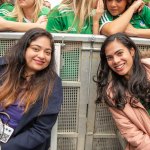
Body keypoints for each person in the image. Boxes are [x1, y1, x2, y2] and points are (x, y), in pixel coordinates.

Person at [0, 28, 63, 150]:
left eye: (48, 52)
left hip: (18, 145)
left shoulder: (52, 84)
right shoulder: (3, 68)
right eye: (36, 49)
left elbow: (40, 130)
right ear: (24, 48)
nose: (41, 56)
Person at [95, 33, 150, 149]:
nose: (115, 61)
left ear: (131, 51)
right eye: (109, 57)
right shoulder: (112, 94)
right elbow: (132, 134)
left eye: (119, 53)